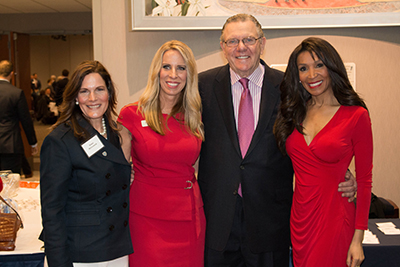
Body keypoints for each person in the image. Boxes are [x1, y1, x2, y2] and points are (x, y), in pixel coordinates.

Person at [197, 14, 357, 267]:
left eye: (249, 39)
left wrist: (339, 172)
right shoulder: (202, 86)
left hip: (271, 221)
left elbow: (316, 135)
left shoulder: (290, 88)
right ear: (222, 47)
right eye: (233, 41)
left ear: (262, 43)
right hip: (217, 220)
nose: (241, 48)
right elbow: (173, 128)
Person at [273, 37, 373, 267]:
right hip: (300, 219)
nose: (312, 75)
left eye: (319, 65)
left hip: (335, 217)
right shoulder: (293, 112)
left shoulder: (356, 116)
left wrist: (358, 238)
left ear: (332, 67)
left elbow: (366, 180)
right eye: (303, 68)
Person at [118, 40, 205, 266]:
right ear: (157, 71)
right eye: (167, 67)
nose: (173, 74)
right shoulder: (131, 115)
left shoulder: (196, 116)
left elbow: (196, 167)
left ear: (189, 74)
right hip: (146, 219)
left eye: (181, 68)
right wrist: (125, 175)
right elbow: (115, 167)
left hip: (188, 217)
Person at [40, 60, 133, 266]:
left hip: (116, 248)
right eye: (84, 91)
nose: (92, 98)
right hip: (82, 253)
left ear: (109, 93)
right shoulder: (60, 141)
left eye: (99, 89)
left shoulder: (115, 133)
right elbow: (52, 211)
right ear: (75, 97)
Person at [0, 60, 38, 174]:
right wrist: (33, 143)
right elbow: (26, 120)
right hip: (10, 144)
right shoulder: (16, 93)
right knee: (10, 182)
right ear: (11, 74)